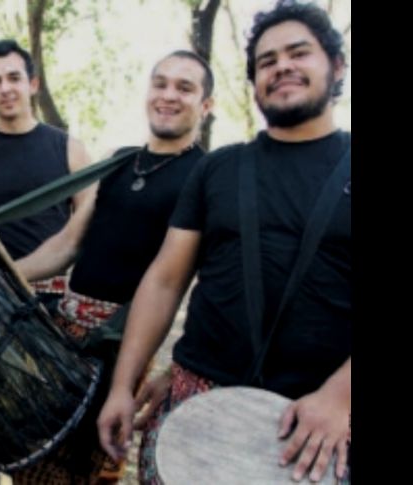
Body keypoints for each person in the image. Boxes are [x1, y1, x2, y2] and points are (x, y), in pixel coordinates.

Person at [97, 2, 351, 483]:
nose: (282, 66)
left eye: (298, 53)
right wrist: (121, 387)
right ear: (254, 82)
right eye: (267, 61)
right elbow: (165, 280)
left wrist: (341, 397)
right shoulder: (217, 168)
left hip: (322, 417)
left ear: (336, 66)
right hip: (197, 401)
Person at [10, 51, 214, 484]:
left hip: (119, 346)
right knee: (31, 460)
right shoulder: (119, 160)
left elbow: (197, 284)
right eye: (160, 83)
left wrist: (172, 367)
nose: (168, 95)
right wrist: (2, 271)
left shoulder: (206, 176)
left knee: (88, 470)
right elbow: (67, 243)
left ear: (206, 105)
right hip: (62, 335)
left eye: (184, 88)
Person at [0, 39, 95, 306]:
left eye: (14, 78)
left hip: (55, 301)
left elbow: (89, 230)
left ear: (32, 84)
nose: (5, 89)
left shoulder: (71, 149)